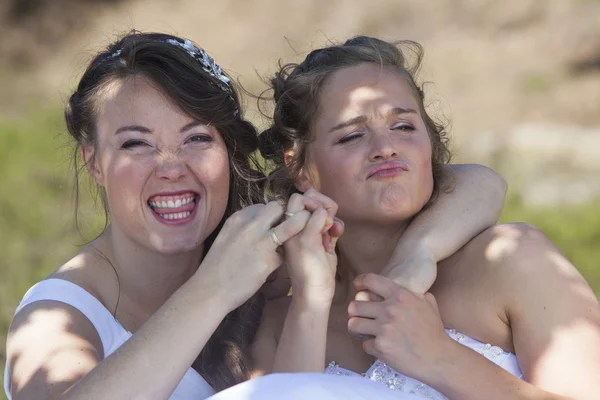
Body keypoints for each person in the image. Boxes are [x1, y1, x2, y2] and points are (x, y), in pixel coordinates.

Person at [4, 31, 506, 400]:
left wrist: (416, 256)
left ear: (227, 152)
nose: (172, 169)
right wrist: (211, 290)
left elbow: (477, 183)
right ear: (93, 160)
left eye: (197, 138)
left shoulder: (256, 251)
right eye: (137, 144)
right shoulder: (60, 315)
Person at [251, 37, 600, 399]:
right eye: (352, 136)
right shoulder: (276, 328)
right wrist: (310, 301)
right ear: (300, 167)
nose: (385, 148)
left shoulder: (513, 261)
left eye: (403, 127)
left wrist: (440, 357)